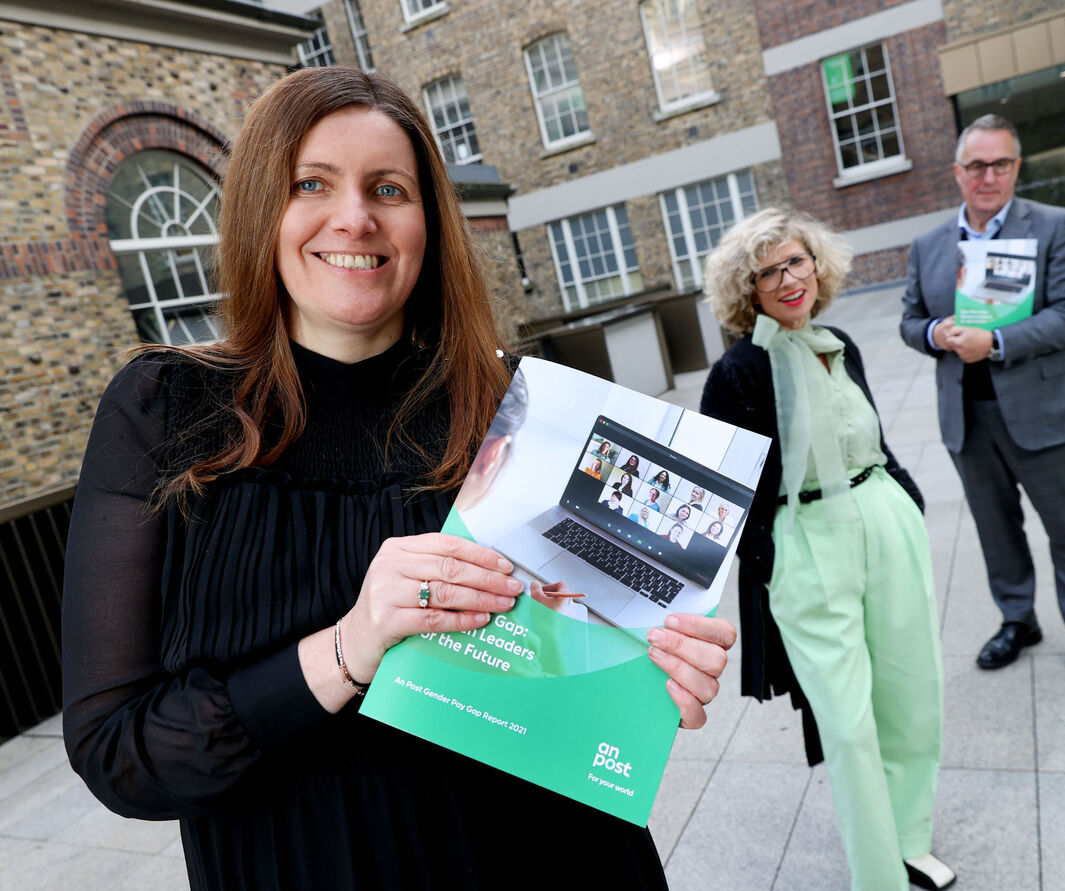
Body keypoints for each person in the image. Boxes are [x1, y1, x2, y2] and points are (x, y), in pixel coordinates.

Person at [60, 66, 736, 891]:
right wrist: (353, 643)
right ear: (261, 209)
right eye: (312, 183)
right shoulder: (164, 409)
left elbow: (584, 655)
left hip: (548, 858)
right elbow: (119, 754)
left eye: (389, 189)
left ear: (429, 223)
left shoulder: (518, 408)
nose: (356, 217)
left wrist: (654, 666)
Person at [700, 208, 954, 891]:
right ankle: (878, 875)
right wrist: (772, 560)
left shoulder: (838, 342)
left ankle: (910, 839)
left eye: (796, 261)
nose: (788, 280)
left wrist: (905, 496)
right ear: (748, 289)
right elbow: (722, 493)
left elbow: (870, 436)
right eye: (768, 271)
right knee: (847, 724)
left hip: (882, 520)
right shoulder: (739, 370)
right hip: (806, 540)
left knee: (912, 694)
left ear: (817, 265)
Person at [900, 114, 1065, 683]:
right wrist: (935, 333)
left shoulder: (1054, 226)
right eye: (976, 165)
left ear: (1016, 167)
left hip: (1047, 411)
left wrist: (995, 342)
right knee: (996, 529)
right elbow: (910, 320)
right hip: (967, 418)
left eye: (999, 164)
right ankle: (1018, 619)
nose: (987, 176)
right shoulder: (928, 245)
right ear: (957, 172)